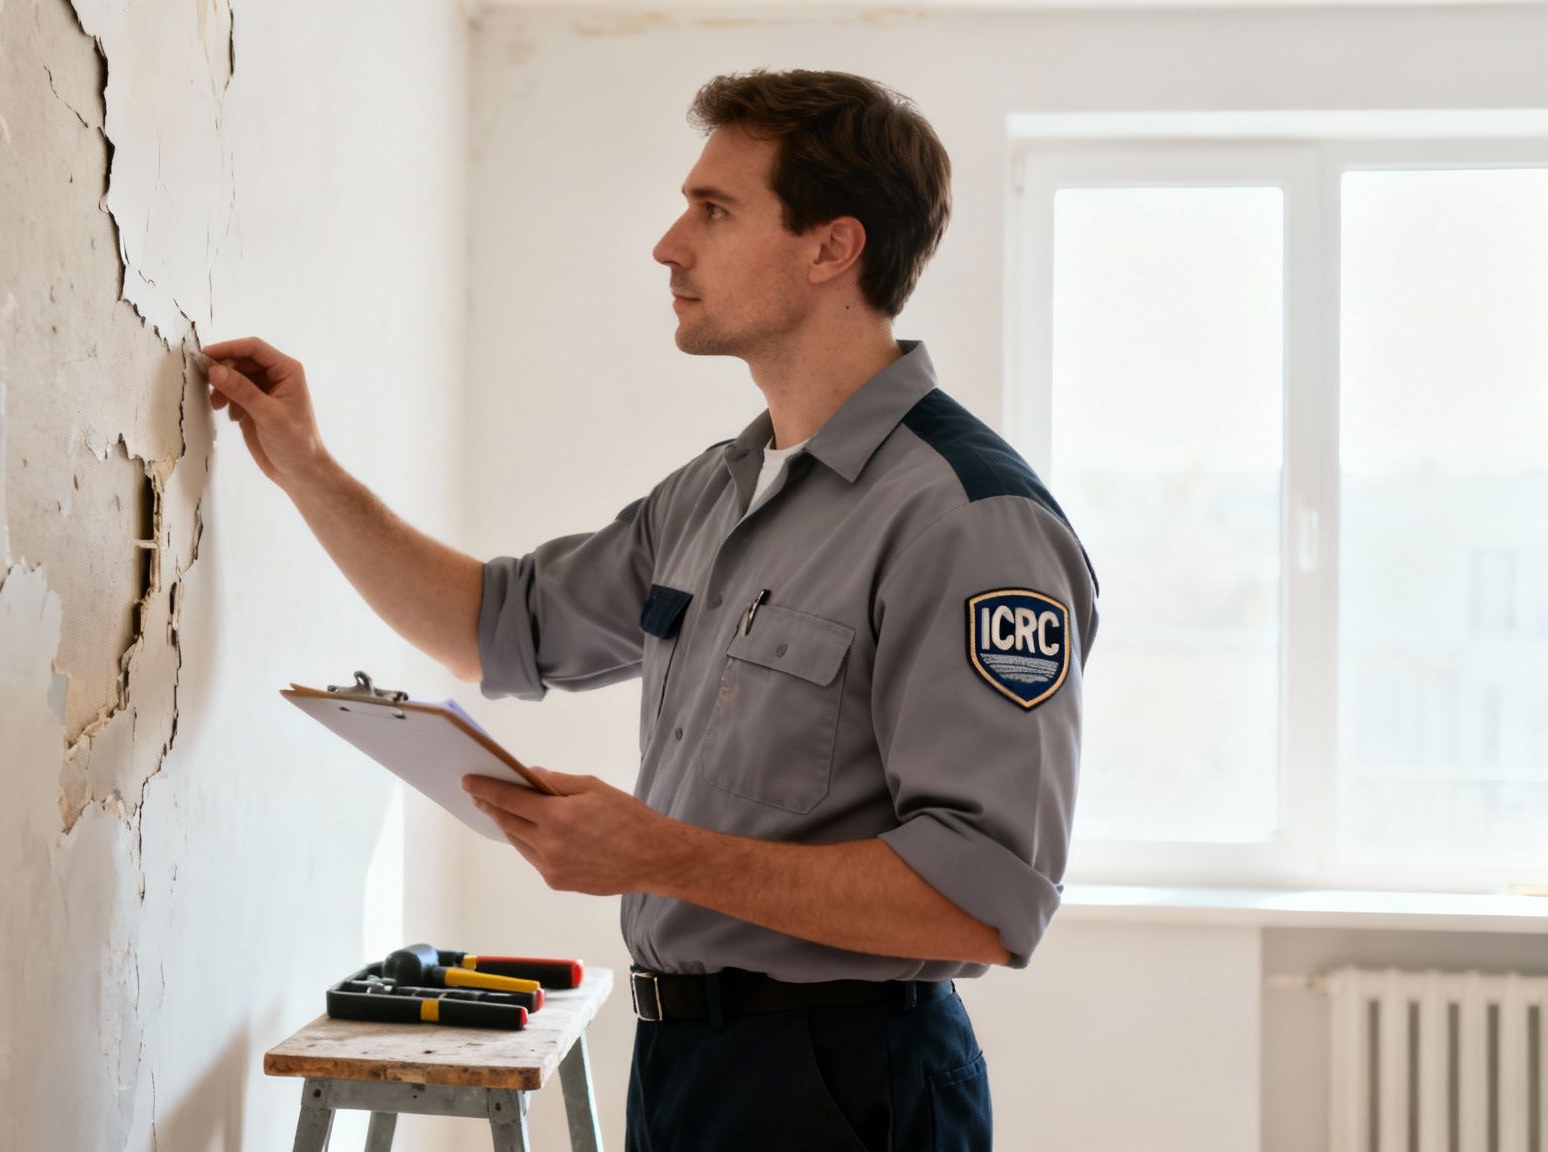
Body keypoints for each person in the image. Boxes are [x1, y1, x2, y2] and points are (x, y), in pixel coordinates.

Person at [202, 68, 1097, 1152]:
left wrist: (656, 854)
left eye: (713, 211)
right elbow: (497, 625)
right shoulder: (720, 489)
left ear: (830, 248)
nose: (669, 245)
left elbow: (983, 904)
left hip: (842, 1083)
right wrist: (304, 469)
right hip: (683, 1063)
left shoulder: (969, 520)